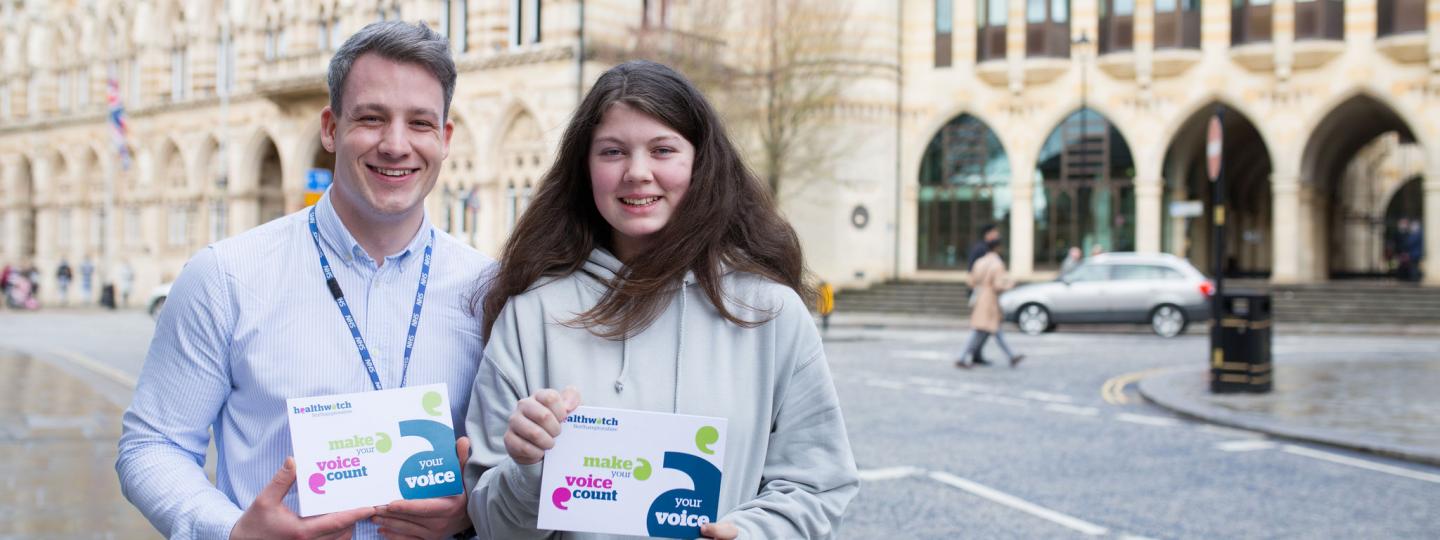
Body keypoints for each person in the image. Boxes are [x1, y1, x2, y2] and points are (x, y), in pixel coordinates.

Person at [117, 21, 490, 540]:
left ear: (445, 138)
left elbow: (507, 462)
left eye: (420, 123)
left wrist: (477, 507)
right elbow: (151, 444)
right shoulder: (226, 277)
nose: (396, 144)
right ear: (331, 128)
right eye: (372, 118)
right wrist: (232, 532)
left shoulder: (489, 290)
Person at [464, 60, 859, 539]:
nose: (637, 172)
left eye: (662, 149)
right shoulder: (531, 315)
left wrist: (751, 534)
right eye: (612, 152)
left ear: (700, 161)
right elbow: (489, 524)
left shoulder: (770, 312)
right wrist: (528, 468)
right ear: (584, 167)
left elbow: (817, 486)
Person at [957, 238, 1024, 369]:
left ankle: (1011, 356)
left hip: (980, 296)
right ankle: (962, 357)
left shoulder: (979, 262)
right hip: (990, 300)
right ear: (997, 248)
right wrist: (1010, 285)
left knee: (991, 329)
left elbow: (970, 280)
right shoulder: (997, 264)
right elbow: (998, 285)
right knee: (982, 329)